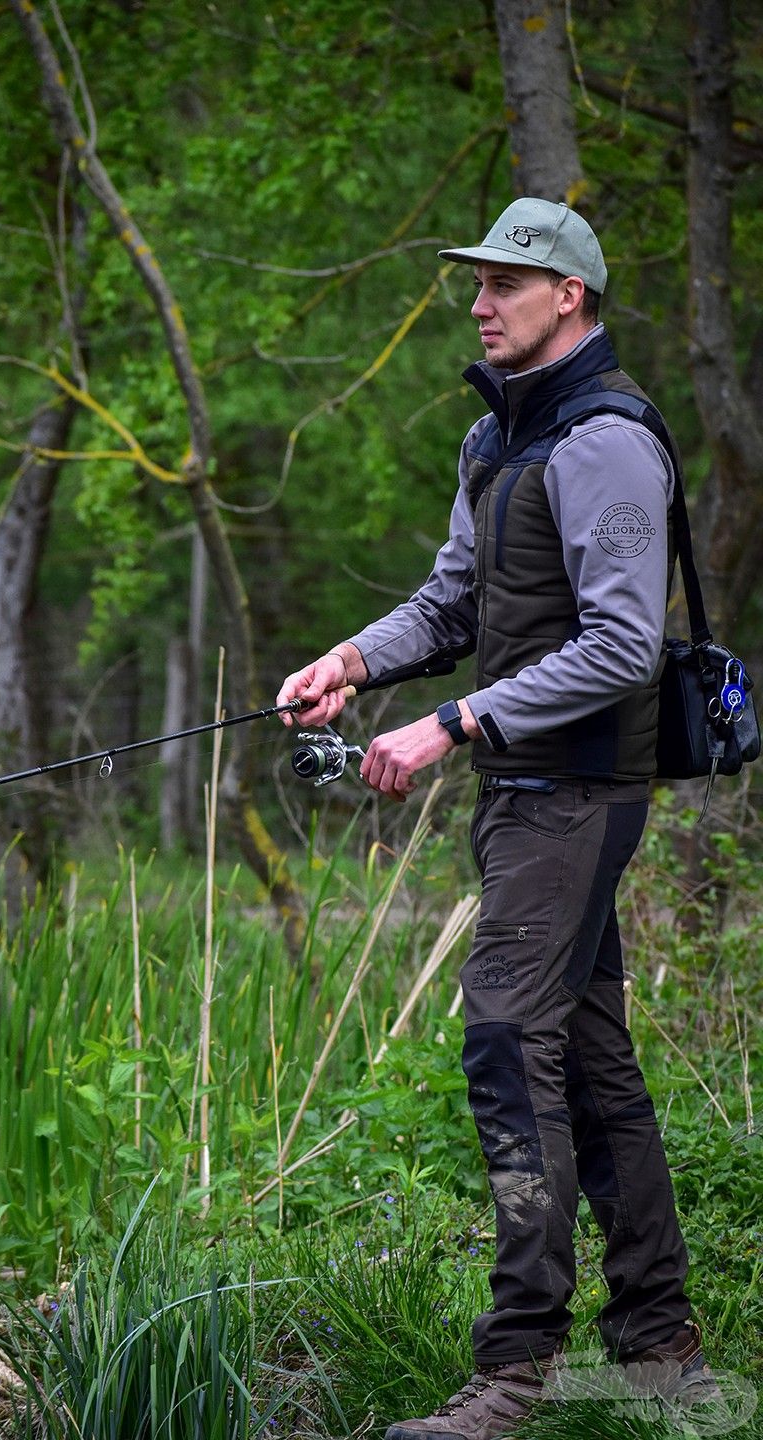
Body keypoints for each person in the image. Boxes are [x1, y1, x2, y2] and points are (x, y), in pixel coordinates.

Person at [277, 198, 719, 1440]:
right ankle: (659, 1348)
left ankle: (518, 1368)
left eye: (506, 283)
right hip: (524, 792)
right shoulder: (497, 435)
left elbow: (626, 646)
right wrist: (357, 663)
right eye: (475, 280)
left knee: (504, 1048)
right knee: (587, 1060)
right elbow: (454, 598)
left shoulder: (611, 443)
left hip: (579, 790)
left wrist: (452, 726)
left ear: (569, 295)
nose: (480, 300)